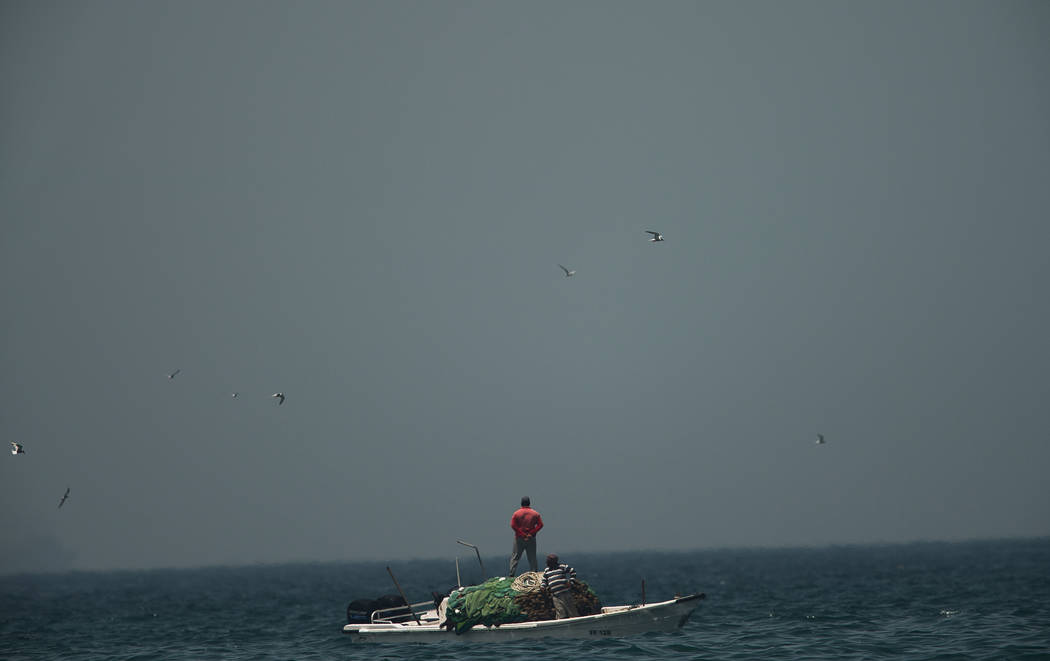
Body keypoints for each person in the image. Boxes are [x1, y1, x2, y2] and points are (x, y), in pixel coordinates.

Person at [508, 496, 543, 575]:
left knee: (515, 557)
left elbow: (513, 525)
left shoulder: (516, 513)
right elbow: (540, 525)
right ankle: (534, 574)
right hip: (531, 538)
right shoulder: (535, 513)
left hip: (519, 538)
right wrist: (531, 533)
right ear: (529, 503)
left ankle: (511, 574)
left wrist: (522, 534)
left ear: (521, 503)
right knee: (532, 557)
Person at [541, 553, 579, 619]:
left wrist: (571, 582)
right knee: (560, 612)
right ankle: (562, 625)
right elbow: (544, 580)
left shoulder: (562, 566)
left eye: (548, 560)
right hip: (555, 596)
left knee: (572, 611)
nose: (546, 562)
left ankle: (575, 623)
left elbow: (573, 572)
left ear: (553, 562)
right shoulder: (547, 570)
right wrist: (543, 587)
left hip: (565, 594)